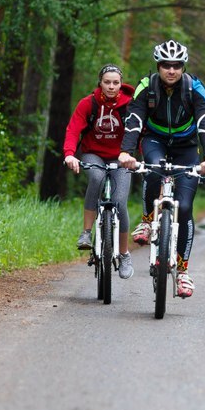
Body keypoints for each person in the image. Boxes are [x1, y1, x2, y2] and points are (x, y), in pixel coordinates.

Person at [118, 39, 205, 298]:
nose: (171, 70)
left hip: (186, 147)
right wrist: (126, 152)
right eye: (165, 65)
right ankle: (148, 220)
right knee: (152, 169)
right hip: (155, 140)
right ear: (158, 66)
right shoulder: (146, 85)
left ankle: (183, 272)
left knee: (184, 207)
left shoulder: (194, 87)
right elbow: (134, 118)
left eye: (176, 65)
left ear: (183, 66)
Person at [63, 64, 136, 279]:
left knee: (120, 201)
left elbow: (138, 132)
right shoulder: (89, 103)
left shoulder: (129, 106)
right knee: (95, 176)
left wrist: (139, 157)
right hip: (93, 154)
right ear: (100, 83)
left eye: (115, 83)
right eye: (107, 82)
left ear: (121, 84)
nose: (111, 86)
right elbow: (73, 129)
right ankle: (86, 233)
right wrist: (69, 154)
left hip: (122, 157)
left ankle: (123, 254)